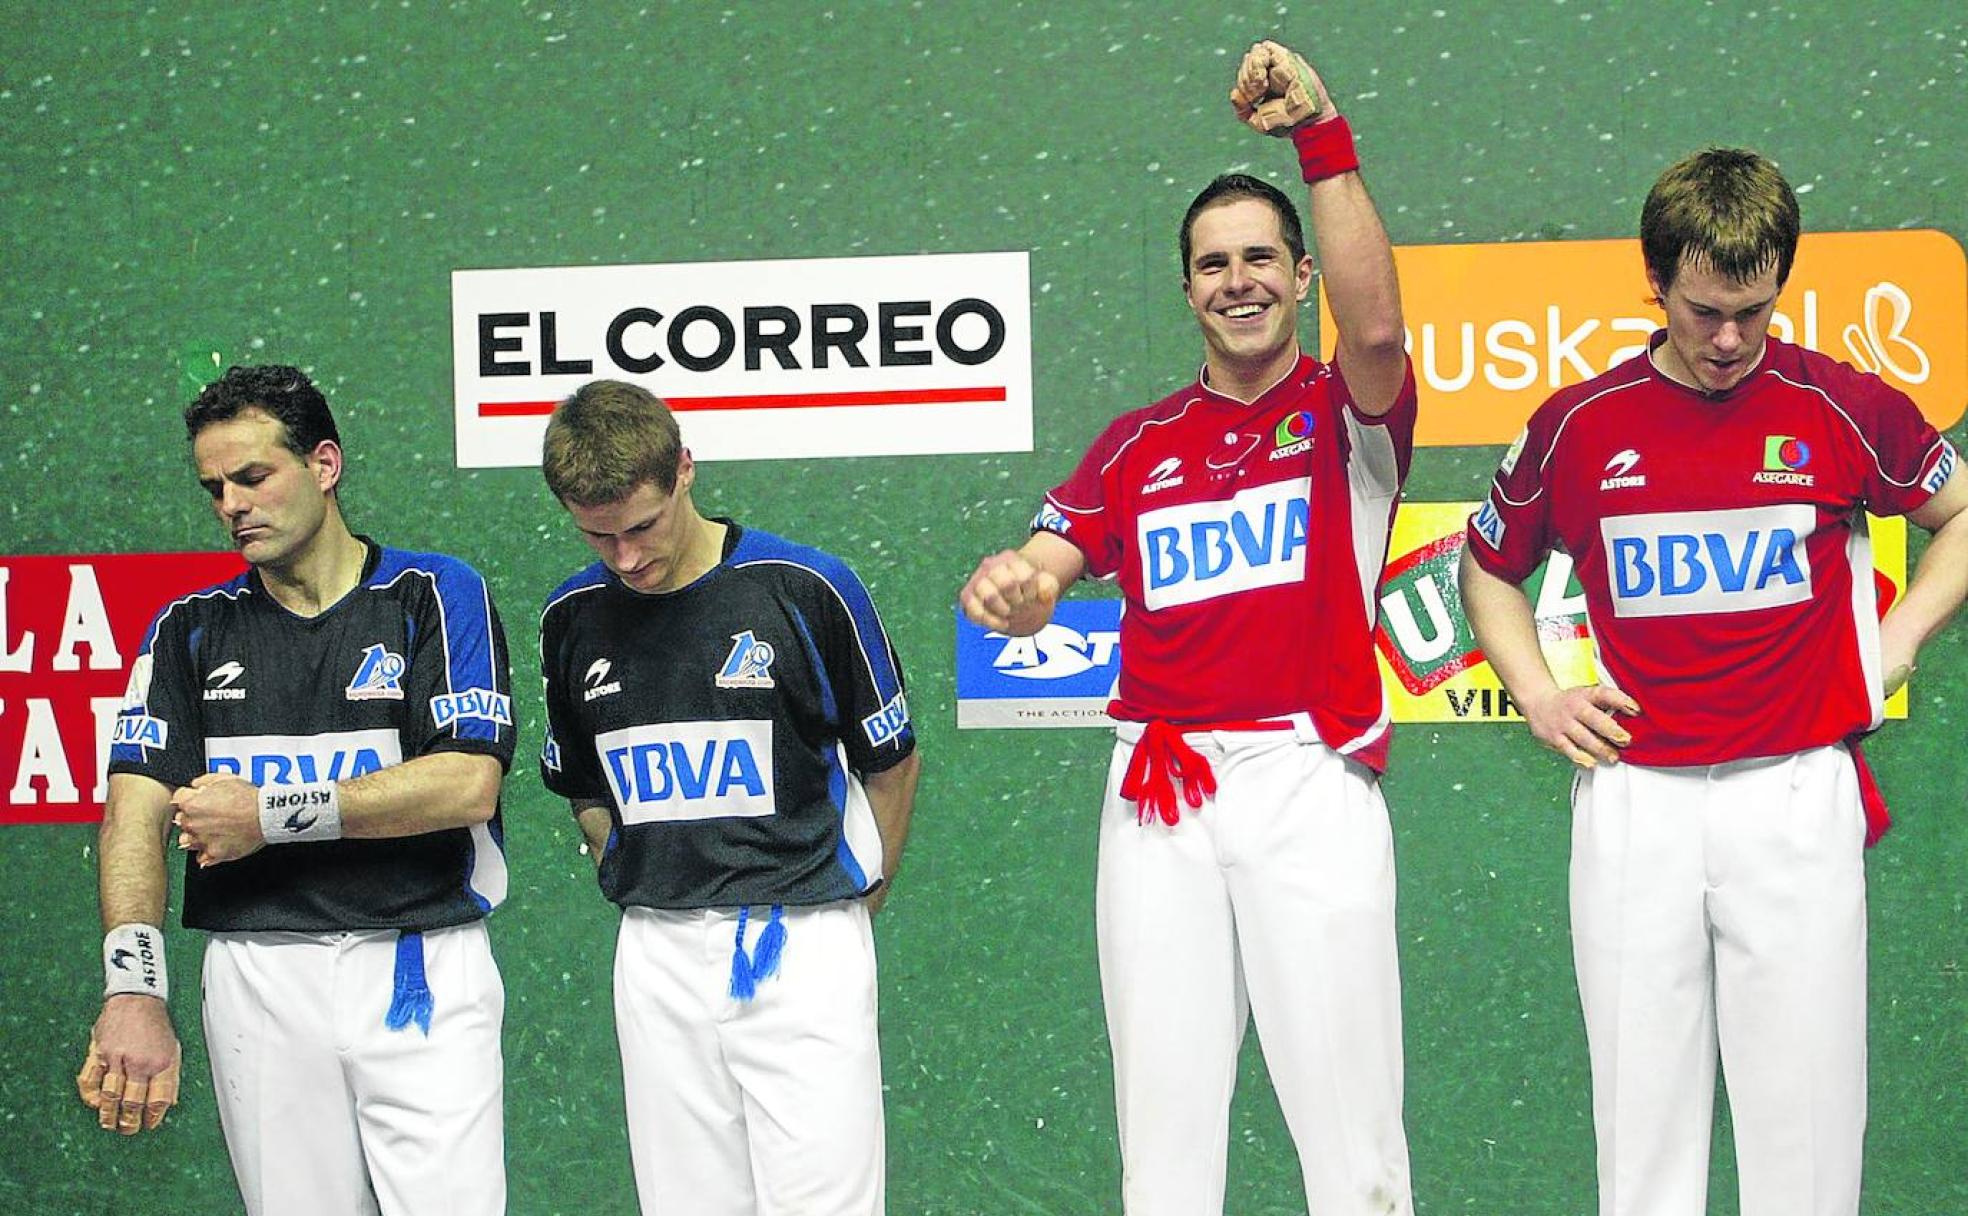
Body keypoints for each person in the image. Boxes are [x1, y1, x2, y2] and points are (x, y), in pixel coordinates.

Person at [1458, 147, 1968, 1216]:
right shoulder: (1577, 424)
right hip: (1635, 801)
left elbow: (1959, 512)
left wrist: (1901, 634)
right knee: (1641, 1125)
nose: (1730, 339)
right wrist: (1543, 693)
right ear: (1655, 281)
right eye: (1703, 311)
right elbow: (1488, 566)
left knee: (1810, 1125)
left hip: (1794, 794)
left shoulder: (1841, 404)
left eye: (1753, 309)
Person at [960, 40, 1416, 1216]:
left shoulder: (1345, 413)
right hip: (1157, 794)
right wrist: (1020, 587)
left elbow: (1375, 335)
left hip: (1306, 776)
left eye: (1262, 257)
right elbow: (1049, 562)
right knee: (1162, 1149)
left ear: (1302, 275)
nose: (1238, 279)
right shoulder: (1136, 441)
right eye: (1213, 264)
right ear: (1187, 290)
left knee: (1352, 1142)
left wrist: (1323, 139)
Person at [79, 364, 517, 1216]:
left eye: (252, 477)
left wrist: (270, 815)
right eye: (214, 489)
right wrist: (133, 987)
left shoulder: (433, 594)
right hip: (258, 976)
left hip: (418, 962)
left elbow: (467, 782)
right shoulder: (188, 628)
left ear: (324, 464)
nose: (232, 505)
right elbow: (132, 809)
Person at [536, 379, 920, 1216]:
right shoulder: (571, 616)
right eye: (598, 537)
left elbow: (890, 761)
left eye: (640, 527)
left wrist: (863, 891)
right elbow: (586, 788)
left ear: (684, 471)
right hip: (656, 953)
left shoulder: (805, 587)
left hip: (802, 939)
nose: (626, 557)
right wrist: (631, 866)